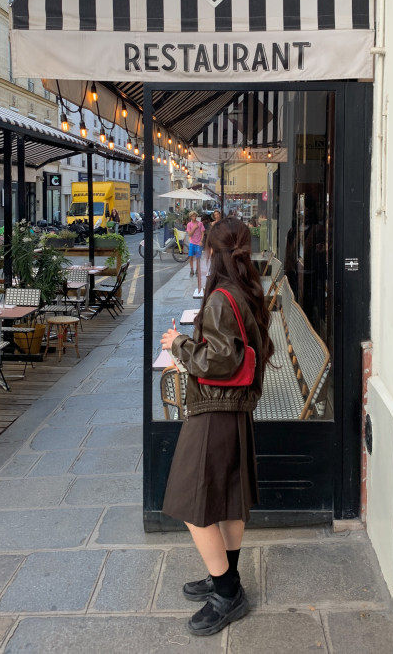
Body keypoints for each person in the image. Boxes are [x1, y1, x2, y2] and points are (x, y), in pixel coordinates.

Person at [160, 217, 274, 636]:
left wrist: (178, 344)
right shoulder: (245, 291)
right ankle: (226, 575)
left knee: (192, 502)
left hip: (214, 411)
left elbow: (219, 361)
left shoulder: (222, 299)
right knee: (228, 497)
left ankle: (227, 593)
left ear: (212, 252)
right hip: (234, 410)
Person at [186, 211, 205, 290]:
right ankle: (191, 269)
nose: (194, 217)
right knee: (190, 256)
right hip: (192, 242)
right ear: (190, 217)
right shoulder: (189, 224)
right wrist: (194, 228)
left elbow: (202, 233)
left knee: (198, 257)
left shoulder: (200, 223)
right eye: (193, 216)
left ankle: (197, 269)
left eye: (195, 216)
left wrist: (201, 241)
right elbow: (189, 234)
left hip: (198, 243)